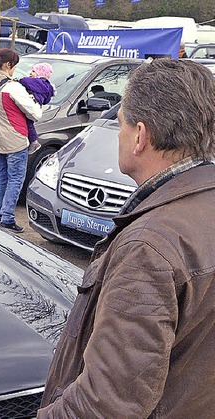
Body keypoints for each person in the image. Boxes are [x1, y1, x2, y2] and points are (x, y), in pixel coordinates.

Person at [39, 58, 215, 418]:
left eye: (120, 125)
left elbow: (105, 404)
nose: (118, 135)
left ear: (140, 136)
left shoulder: (150, 247)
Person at [0, 48, 42, 232]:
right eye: (14, 65)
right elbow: (35, 113)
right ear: (8, 65)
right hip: (15, 139)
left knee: (0, 176)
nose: (15, 69)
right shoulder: (12, 87)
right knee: (15, 178)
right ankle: (7, 217)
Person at [19, 62, 55, 154]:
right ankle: (33, 141)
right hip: (37, 106)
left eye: (34, 71)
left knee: (28, 123)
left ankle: (34, 141)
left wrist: (18, 80)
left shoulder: (38, 82)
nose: (31, 73)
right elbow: (47, 100)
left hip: (31, 105)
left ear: (40, 74)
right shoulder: (48, 86)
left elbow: (24, 81)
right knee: (29, 123)